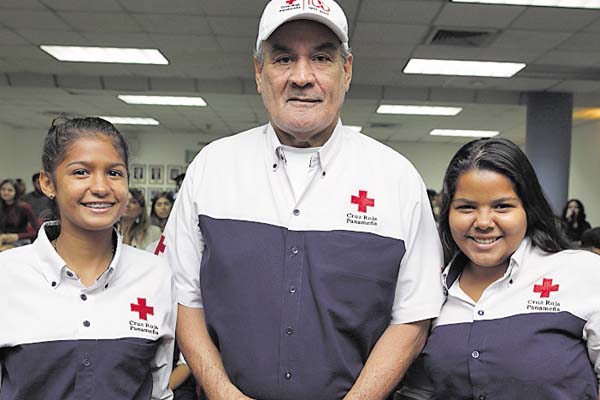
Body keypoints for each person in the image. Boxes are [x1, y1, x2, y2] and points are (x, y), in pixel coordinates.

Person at [161, 1, 444, 399]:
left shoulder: (396, 179)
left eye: (322, 58)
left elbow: (412, 318)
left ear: (346, 71)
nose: (301, 77)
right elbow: (184, 298)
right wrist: (224, 393)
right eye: (283, 58)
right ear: (259, 72)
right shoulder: (212, 168)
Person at [398, 138, 600, 400]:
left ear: (528, 209)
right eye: (466, 207)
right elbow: (419, 390)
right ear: (447, 213)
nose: (483, 222)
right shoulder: (433, 287)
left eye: (502, 206)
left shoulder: (581, 272)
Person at [0, 116, 176, 399]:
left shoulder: (155, 275)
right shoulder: (7, 276)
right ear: (47, 183)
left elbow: (159, 390)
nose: (101, 187)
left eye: (114, 173)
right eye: (81, 172)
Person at [0, 178, 39, 250]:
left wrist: (17, 236)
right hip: (3, 240)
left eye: (10, 190)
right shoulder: (1, 207)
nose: (5, 192)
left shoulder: (24, 207)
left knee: (3, 251)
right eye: (3, 189)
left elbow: (37, 231)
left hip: (21, 240)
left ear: (16, 192)